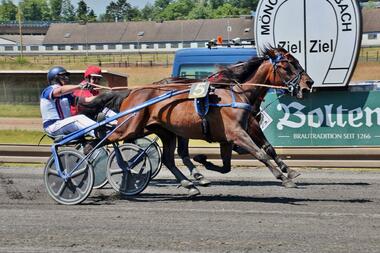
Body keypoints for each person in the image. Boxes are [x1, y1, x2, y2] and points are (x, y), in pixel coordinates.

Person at [40, 66, 98, 138]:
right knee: (79, 118)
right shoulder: (48, 90)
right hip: (53, 126)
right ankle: (99, 133)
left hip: (65, 125)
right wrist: (80, 86)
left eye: (66, 76)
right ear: (55, 77)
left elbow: (87, 100)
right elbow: (60, 90)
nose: (66, 78)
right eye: (63, 76)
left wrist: (106, 96)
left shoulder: (67, 95)